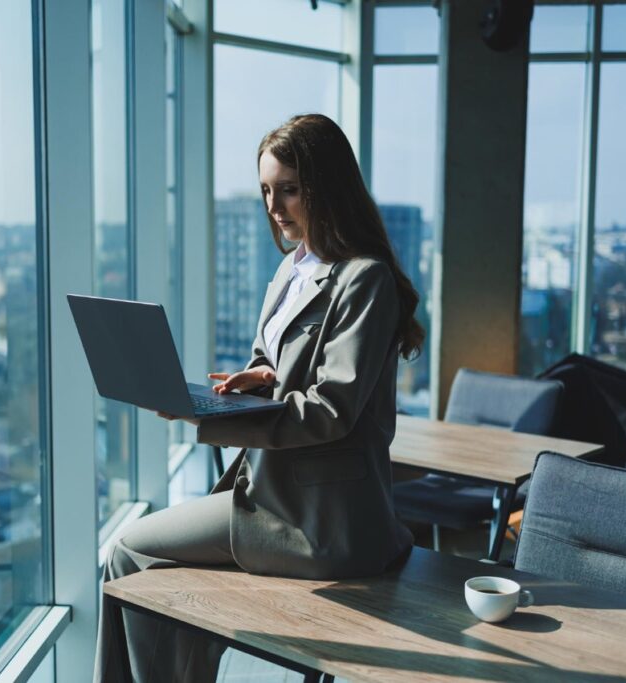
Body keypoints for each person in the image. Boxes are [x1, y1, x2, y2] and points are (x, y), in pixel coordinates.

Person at [94, 113, 425, 682]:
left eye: (290, 190)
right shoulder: (291, 271)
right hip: (272, 492)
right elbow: (285, 364)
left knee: (127, 552)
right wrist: (262, 376)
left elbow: (332, 411)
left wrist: (206, 414)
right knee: (141, 564)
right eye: (267, 190)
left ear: (327, 188)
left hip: (320, 519)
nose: (274, 207)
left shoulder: (363, 279)